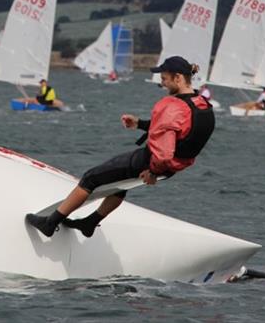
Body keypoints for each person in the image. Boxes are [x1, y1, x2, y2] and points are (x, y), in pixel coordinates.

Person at [25, 56, 215, 238]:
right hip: (173, 167)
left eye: (165, 79)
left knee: (91, 178)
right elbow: (178, 131)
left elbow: (165, 151)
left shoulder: (172, 105)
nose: (162, 83)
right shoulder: (202, 104)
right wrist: (139, 123)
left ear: (178, 78)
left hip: (154, 162)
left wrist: (153, 172)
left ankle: (50, 223)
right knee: (118, 182)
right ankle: (90, 223)